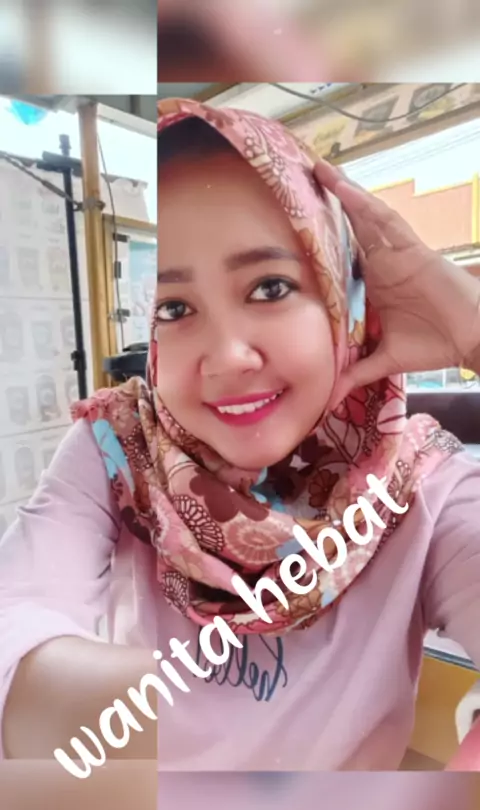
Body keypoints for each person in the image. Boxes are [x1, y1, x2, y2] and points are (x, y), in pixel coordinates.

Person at [1, 97, 480, 772]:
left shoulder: (422, 488)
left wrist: (474, 331)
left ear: (344, 301)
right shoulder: (120, 450)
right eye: (176, 307)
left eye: (270, 288)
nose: (226, 357)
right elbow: (17, 616)